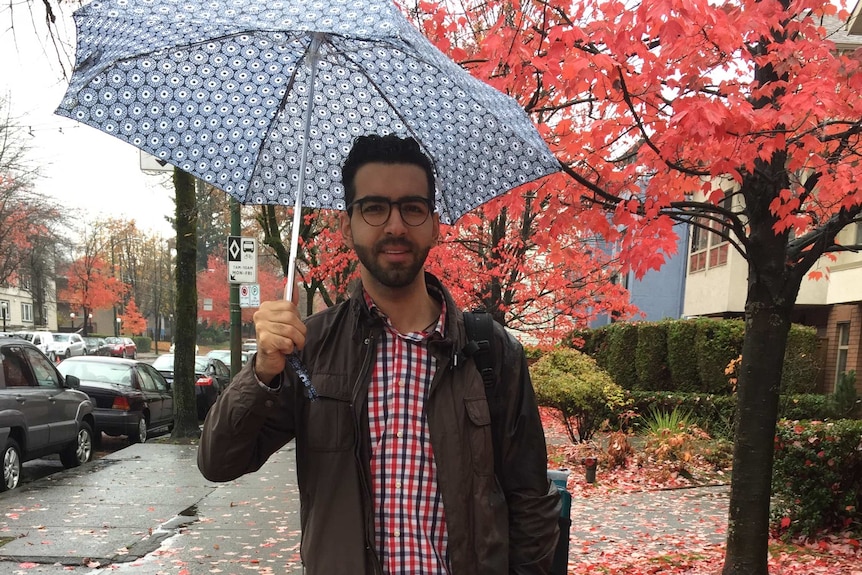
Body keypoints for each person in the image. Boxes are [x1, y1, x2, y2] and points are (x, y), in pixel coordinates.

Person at [198, 134, 561, 574]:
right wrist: (262, 373)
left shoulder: (491, 351)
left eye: (412, 208)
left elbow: (531, 504)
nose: (395, 226)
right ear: (348, 225)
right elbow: (218, 462)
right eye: (374, 208)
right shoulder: (309, 350)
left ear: (433, 223)